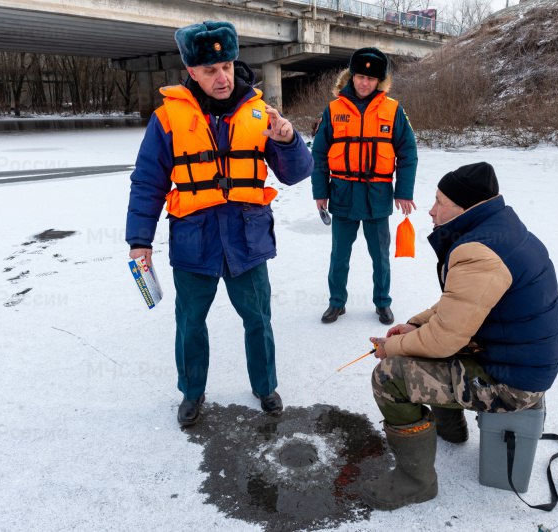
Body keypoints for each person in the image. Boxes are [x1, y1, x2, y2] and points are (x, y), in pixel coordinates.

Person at [125, 21, 313, 426]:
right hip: (195, 242)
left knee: (258, 320)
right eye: (210, 70)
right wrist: (139, 239)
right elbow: (147, 181)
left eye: (226, 65)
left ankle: (265, 386)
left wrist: (287, 140)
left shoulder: (261, 113)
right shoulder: (167, 119)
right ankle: (192, 393)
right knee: (190, 323)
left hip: (247, 239)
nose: (222, 76)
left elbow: (296, 173)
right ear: (191, 71)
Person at [360, 162, 558, 510]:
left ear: (465, 208)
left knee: (389, 375)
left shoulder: (478, 253)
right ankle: (451, 430)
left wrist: (392, 347)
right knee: (422, 343)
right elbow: (461, 306)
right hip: (513, 360)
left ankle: (415, 482)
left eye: (439, 201)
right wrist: (416, 324)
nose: (431, 209)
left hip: (512, 384)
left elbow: (444, 341)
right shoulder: (500, 230)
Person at [311, 47, 418, 326]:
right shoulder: (333, 110)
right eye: (359, 76)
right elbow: (319, 154)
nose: (364, 82)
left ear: (379, 82)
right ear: (351, 76)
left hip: (378, 196)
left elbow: (408, 152)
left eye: (370, 79)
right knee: (339, 255)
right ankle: (337, 303)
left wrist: (404, 191)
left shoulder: (393, 110)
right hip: (343, 194)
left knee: (380, 256)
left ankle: (382, 303)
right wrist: (320, 192)